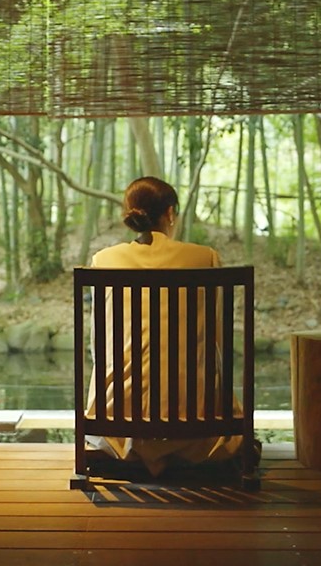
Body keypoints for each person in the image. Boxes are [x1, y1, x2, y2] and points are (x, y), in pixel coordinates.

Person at [85, 176, 244, 476]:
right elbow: (219, 344)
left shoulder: (104, 260)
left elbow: (99, 345)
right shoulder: (204, 258)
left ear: (130, 212)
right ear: (170, 213)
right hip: (199, 434)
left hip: (118, 433)